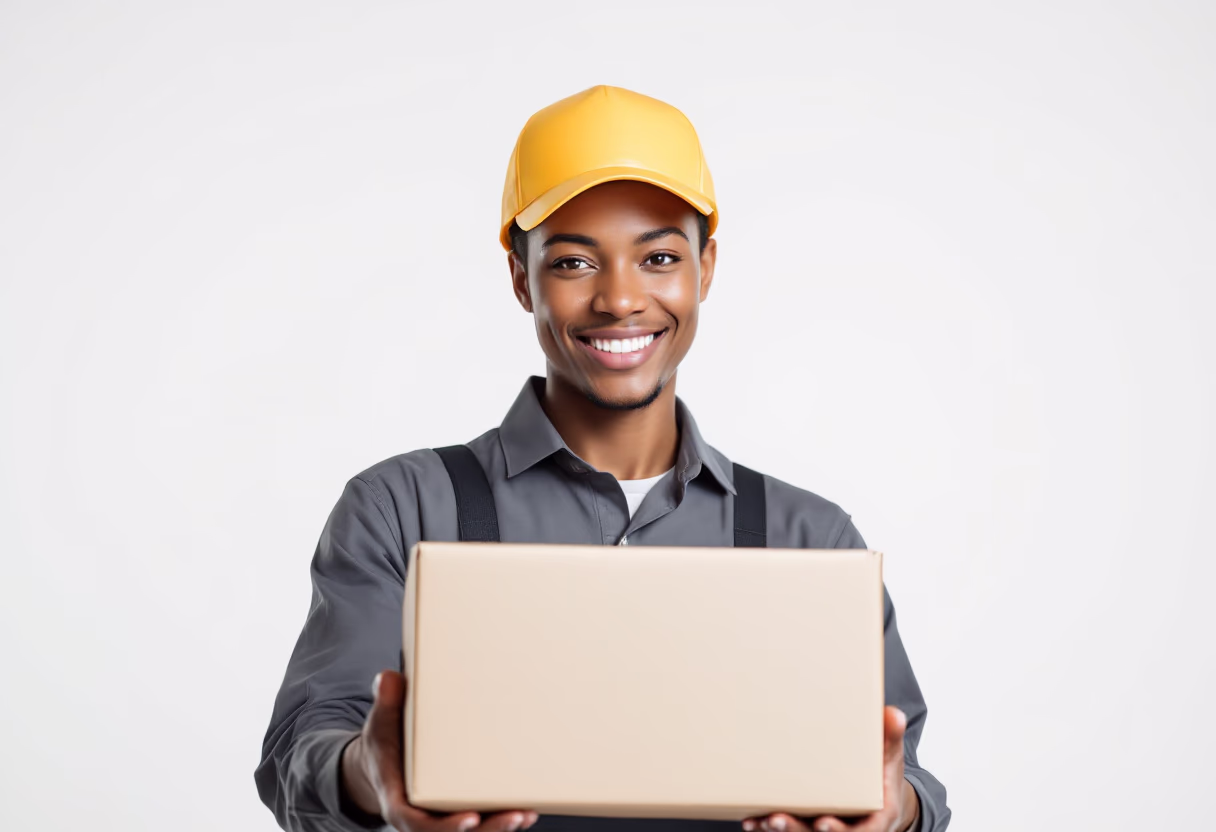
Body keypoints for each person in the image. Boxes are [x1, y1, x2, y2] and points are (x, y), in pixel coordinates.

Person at [255, 84, 951, 832]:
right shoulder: (402, 508)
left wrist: (896, 811)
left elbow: (906, 779)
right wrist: (367, 772)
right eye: (575, 263)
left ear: (705, 269)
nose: (621, 299)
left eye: (657, 256)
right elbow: (304, 746)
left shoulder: (811, 537)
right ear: (522, 279)